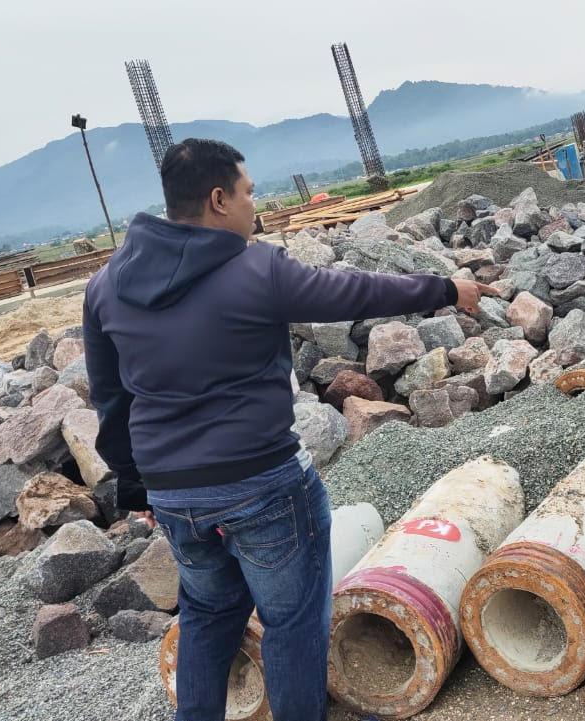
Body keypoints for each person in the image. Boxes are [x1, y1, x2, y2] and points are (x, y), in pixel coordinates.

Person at [83, 138, 496, 721]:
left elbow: (110, 397)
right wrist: (446, 288)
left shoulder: (105, 286)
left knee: (206, 617)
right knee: (292, 626)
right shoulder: (256, 269)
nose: (255, 205)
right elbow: (355, 291)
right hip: (264, 484)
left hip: (174, 494)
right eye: (249, 193)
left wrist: (136, 486)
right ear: (219, 199)